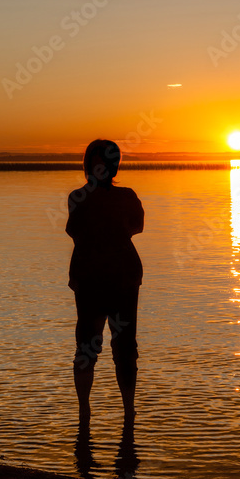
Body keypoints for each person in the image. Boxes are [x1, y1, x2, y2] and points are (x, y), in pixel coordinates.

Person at [66, 139, 144, 426]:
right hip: (89, 279)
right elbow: (76, 230)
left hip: (123, 279)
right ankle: (84, 412)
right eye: (95, 162)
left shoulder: (127, 196)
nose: (99, 167)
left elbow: (136, 225)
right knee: (86, 346)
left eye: (105, 162)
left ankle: (128, 413)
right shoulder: (79, 197)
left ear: (113, 166)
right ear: (88, 165)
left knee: (125, 347)